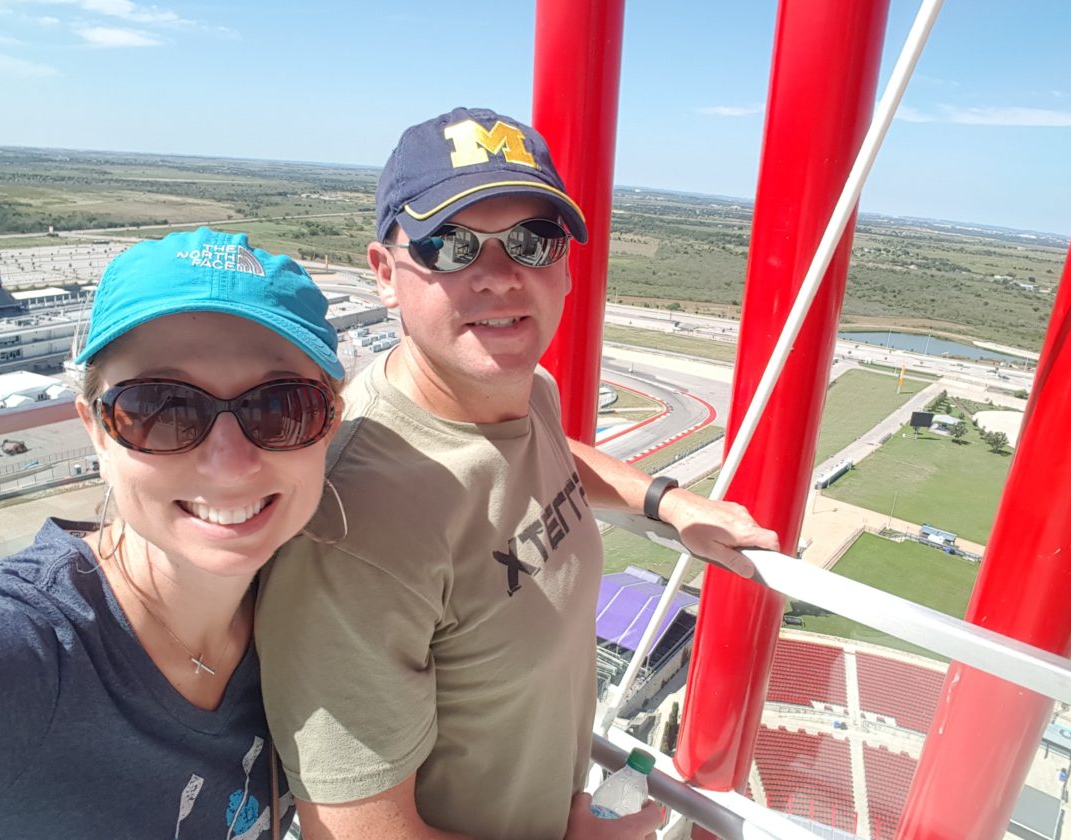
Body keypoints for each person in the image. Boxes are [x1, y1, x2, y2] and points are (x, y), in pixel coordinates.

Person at [256, 107, 779, 840]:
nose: (501, 277)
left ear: (564, 267)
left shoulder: (527, 393)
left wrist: (666, 501)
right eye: (451, 245)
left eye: (534, 242)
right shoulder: (355, 526)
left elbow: (549, 454)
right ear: (384, 273)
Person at [0, 228, 345, 838]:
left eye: (281, 407)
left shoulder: (313, 609)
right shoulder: (16, 654)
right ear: (96, 432)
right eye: (162, 408)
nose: (228, 463)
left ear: (330, 424)